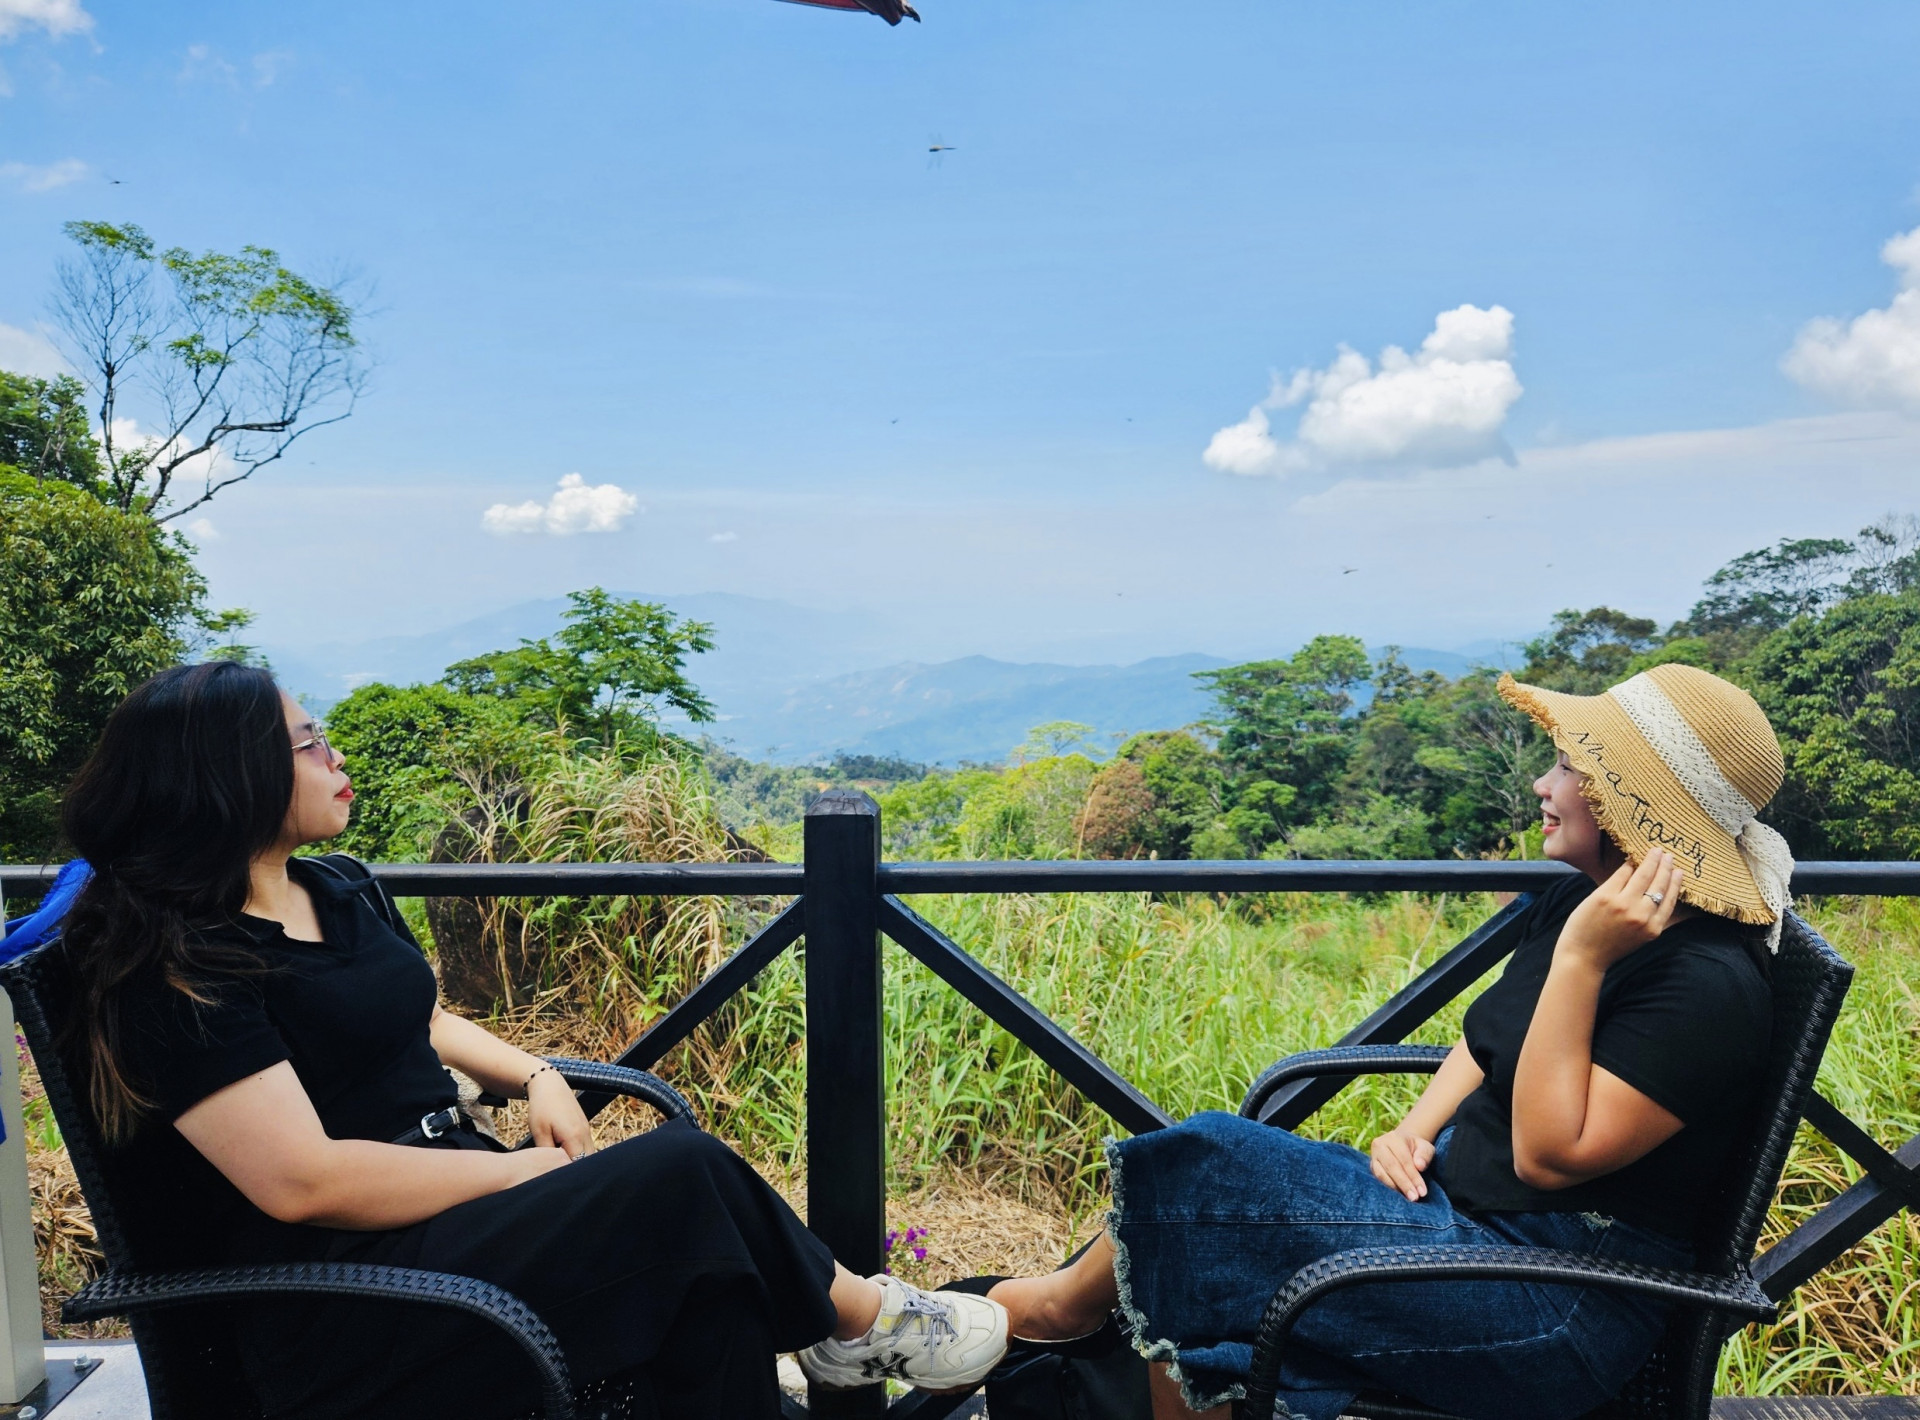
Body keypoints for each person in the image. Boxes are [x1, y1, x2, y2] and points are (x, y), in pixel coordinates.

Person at [53, 661, 1008, 1420]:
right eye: (310, 743)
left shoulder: (328, 890)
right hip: (353, 1300)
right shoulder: (174, 964)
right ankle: (857, 1320)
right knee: (678, 1174)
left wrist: (538, 1074)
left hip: (451, 1232)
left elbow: (413, 1016)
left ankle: (844, 1325)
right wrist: (523, 1176)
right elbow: (304, 1183)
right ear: (230, 775)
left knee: (709, 1281)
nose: (336, 756)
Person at [979, 664, 1789, 1420]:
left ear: (1627, 801)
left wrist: (1584, 958)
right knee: (1212, 1296)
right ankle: (1058, 1312)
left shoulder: (1702, 983)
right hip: (1466, 1224)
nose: (1544, 787)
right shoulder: (1585, 905)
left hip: (1558, 1302)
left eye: (1571, 770)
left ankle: (1054, 1309)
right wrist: (1414, 1128)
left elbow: (1551, 1155)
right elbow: (1486, 1046)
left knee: (1219, 1166)